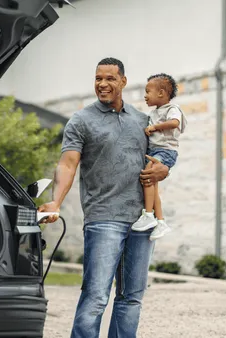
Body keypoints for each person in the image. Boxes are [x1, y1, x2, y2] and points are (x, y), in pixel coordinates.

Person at [38, 57, 169, 338]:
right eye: (98, 78)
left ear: (123, 81)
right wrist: (56, 201)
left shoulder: (142, 120)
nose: (103, 84)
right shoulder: (82, 120)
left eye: (110, 78)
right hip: (103, 218)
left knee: (132, 297)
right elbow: (67, 164)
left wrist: (164, 168)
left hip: (141, 222)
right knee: (96, 296)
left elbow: (162, 154)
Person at [131, 73, 187, 241]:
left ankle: (148, 214)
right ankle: (160, 221)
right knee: (152, 184)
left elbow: (174, 123)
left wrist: (155, 127)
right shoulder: (154, 112)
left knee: (148, 175)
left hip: (166, 151)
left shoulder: (172, 109)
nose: (145, 95)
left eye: (148, 91)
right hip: (156, 151)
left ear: (161, 93)